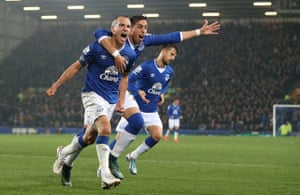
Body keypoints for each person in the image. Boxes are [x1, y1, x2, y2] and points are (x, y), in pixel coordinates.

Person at [56, 15, 220, 181]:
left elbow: (172, 37)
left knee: (137, 121)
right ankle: (67, 161)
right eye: (140, 27)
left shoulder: (144, 41)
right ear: (130, 28)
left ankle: (113, 158)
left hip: (120, 89)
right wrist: (114, 53)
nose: (144, 31)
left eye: (145, 27)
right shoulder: (113, 38)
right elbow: (98, 33)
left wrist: (199, 31)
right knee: (89, 136)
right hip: (100, 90)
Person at [46, 15, 136, 189]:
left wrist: (121, 101)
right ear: (113, 29)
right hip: (92, 95)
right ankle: (105, 174)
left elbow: (125, 77)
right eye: (122, 26)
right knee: (106, 129)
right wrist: (56, 85)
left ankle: (63, 154)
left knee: (88, 138)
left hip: (110, 100)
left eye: (128, 26)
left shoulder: (130, 54)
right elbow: (76, 67)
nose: (126, 29)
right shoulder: (96, 48)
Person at [111, 43, 178, 177]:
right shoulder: (146, 66)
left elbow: (164, 85)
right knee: (119, 138)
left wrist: (162, 94)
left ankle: (133, 156)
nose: (173, 58)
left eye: (175, 56)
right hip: (135, 109)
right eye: (171, 54)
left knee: (157, 135)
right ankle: (106, 164)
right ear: (163, 51)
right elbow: (128, 80)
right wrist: (138, 91)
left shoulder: (169, 71)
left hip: (151, 110)